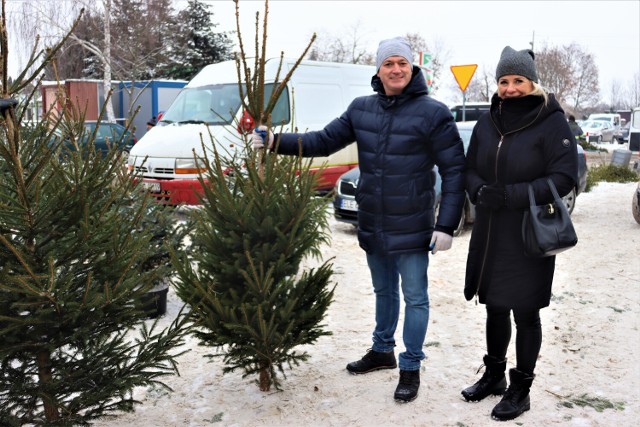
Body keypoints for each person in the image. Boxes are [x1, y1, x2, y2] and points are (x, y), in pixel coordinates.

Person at [252, 36, 466, 403]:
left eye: (402, 63)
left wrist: (445, 225)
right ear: (379, 70)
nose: (396, 69)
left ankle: (410, 366)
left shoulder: (434, 113)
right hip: (374, 221)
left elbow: (454, 170)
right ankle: (382, 350)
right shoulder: (361, 109)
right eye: (388, 64)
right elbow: (322, 141)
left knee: (415, 297)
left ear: (412, 68)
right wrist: (274, 142)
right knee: (384, 292)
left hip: (413, 224)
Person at [462, 46, 578, 421]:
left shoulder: (551, 121)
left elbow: (564, 178)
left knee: (525, 313)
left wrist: (512, 195)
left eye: (517, 80)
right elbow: (470, 167)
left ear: (531, 83)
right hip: (492, 231)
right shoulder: (487, 120)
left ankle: (521, 389)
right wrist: (479, 191)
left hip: (529, 234)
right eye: (503, 81)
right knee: (494, 306)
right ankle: (494, 375)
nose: (509, 88)